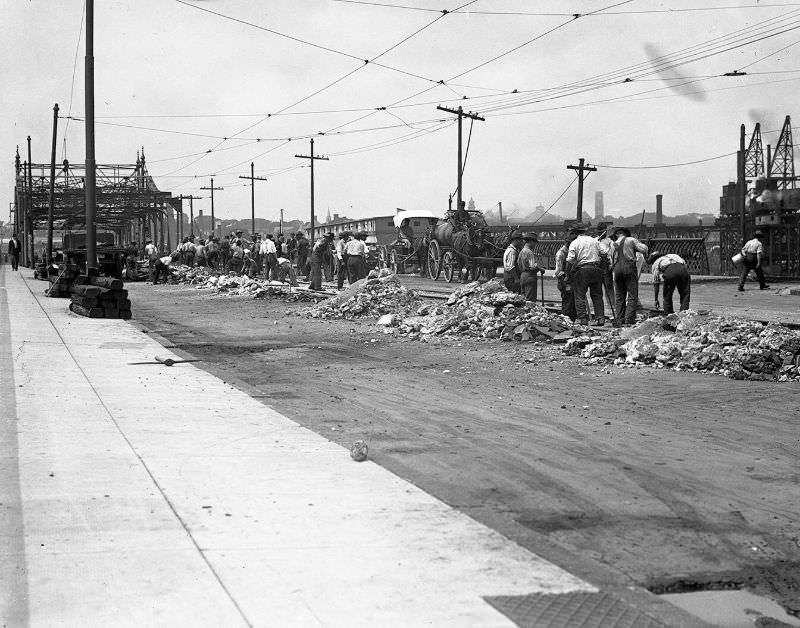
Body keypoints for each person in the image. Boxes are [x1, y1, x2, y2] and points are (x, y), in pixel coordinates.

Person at [566, 223, 605, 326]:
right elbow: (604, 252)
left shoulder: (574, 243)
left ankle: (583, 319)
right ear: (586, 231)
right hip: (596, 269)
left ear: (575, 233)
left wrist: (567, 275)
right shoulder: (595, 241)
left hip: (582, 270)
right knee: (597, 295)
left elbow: (569, 261)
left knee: (580, 295)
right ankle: (600, 318)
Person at [611, 226, 648, 326]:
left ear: (617, 234)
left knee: (619, 296)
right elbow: (644, 249)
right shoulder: (631, 240)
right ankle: (629, 319)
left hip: (617, 269)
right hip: (629, 268)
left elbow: (611, 259)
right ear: (626, 233)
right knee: (632, 295)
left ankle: (619, 319)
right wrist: (638, 243)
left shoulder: (612, 244)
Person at [596, 222, 616, 321]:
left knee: (608, 289)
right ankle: (602, 312)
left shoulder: (609, 242)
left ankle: (612, 310)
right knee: (599, 290)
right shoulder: (596, 241)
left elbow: (611, 254)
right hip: (599, 267)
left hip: (605, 267)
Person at [554, 233, 577, 319]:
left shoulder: (570, 252)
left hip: (571, 279)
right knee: (567, 302)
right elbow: (558, 272)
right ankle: (566, 319)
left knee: (572, 302)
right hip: (564, 280)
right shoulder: (561, 253)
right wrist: (566, 284)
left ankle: (572, 318)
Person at [517, 233, 544, 302]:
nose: (535, 245)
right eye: (534, 242)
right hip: (530, 276)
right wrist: (540, 269)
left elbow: (518, 263)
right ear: (531, 241)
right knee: (530, 300)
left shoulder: (521, 251)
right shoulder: (529, 252)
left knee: (523, 299)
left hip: (522, 276)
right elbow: (532, 266)